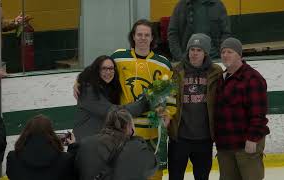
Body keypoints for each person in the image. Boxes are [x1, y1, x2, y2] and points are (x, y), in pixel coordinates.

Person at [111, 19, 174, 180]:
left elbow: (172, 94)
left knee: (154, 174)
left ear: (153, 38)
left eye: (147, 35)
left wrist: (168, 113)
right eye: (139, 34)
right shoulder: (118, 57)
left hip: (154, 130)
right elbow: (99, 72)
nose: (143, 38)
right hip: (126, 130)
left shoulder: (163, 64)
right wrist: (80, 81)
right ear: (133, 36)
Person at [167, 33, 223, 180]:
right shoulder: (176, 71)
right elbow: (168, 99)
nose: (195, 53)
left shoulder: (215, 72)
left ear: (205, 52)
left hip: (204, 139)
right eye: (192, 49)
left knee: (202, 177)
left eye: (199, 50)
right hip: (179, 138)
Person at [214, 37, 270, 180]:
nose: (225, 55)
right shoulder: (222, 78)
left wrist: (252, 139)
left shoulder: (252, 78)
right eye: (223, 52)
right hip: (225, 145)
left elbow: (258, 113)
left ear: (240, 55)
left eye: (230, 52)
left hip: (246, 145)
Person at [73, 55, 148, 141]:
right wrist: (144, 103)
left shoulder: (108, 88)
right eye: (104, 69)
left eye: (111, 68)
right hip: (86, 144)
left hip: (99, 141)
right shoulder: (88, 90)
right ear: (96, 70)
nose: (108, 72)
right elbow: (114, 112)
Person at [75, 107, 157, 180]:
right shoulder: (136, 149)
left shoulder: (86, 143)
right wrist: (138, 139)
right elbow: (153, 164)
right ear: (129, 126)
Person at [6, 114, 77, 180]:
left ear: (25, 133)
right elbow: (72, 175)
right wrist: (72, 148)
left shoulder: (12, 157)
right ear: (51, 134)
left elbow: (11, 175)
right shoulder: (65, 159)